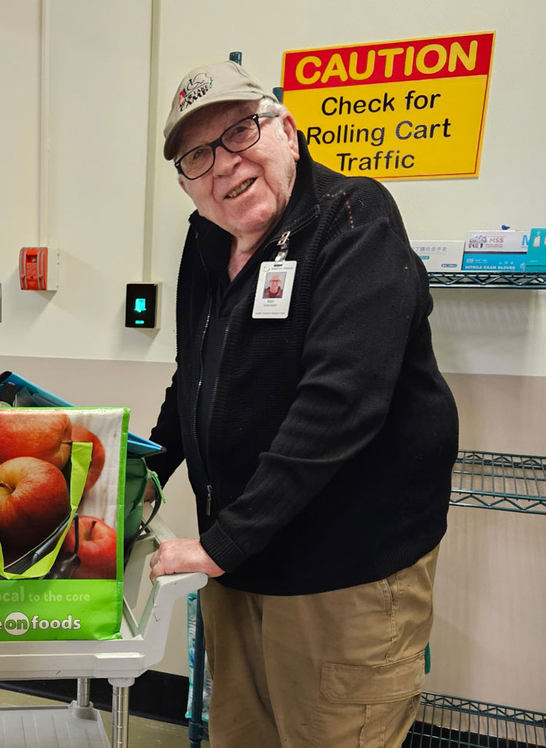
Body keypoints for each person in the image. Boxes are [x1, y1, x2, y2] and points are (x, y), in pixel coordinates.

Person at [145, 60, 458, 747]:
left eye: (239, 132)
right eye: (197, 156)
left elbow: (341, 403)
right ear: (186, 183)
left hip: (343, 575)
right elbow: (194, 377)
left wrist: (222, 543)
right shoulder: (207, 241)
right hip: (240, 564)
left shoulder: (353, 217)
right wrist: (138, 478)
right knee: (241, 735)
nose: (224, 164)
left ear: (286, 131)